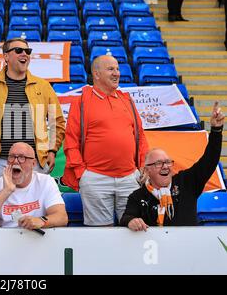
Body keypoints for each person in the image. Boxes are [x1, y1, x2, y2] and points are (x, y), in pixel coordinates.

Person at [0, 38, 66, 190]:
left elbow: (57, 122)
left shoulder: (43, 86)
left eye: (27, 51)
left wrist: (51, 150)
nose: (25, 54)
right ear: (6, 57)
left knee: (36, 211)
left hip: (35, 163)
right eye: (18, 51)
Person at [62, 55, 149, 226]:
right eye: (111, 69)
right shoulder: (81, 102)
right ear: (96, 74)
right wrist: (82, 174)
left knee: (134, 231)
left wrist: (143, 166)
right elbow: (71, 140)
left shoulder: (127, 100)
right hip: (95, 179)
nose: (116, 73)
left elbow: (140, 135)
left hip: (129, 179)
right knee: (100, 235)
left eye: (117, 69)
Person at [120, 102, 224, 231]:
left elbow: (209, 160)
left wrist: (216, 131)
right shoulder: (138, 196)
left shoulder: (187, 182)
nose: (165, 166)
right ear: (147, 170)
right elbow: (125, 218)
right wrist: (131, 221)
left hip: (187, 247)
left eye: (168, 162)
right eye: (158, 163)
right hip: (154, 249)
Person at [0, 142, 68, 229]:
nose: (15, 161)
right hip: (5, 241)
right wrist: (6, 191)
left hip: (36, 240)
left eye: (22, 157)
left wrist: (41, 221)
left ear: (33, 163)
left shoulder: (45, 182)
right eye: (11, 157)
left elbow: (62, 217)